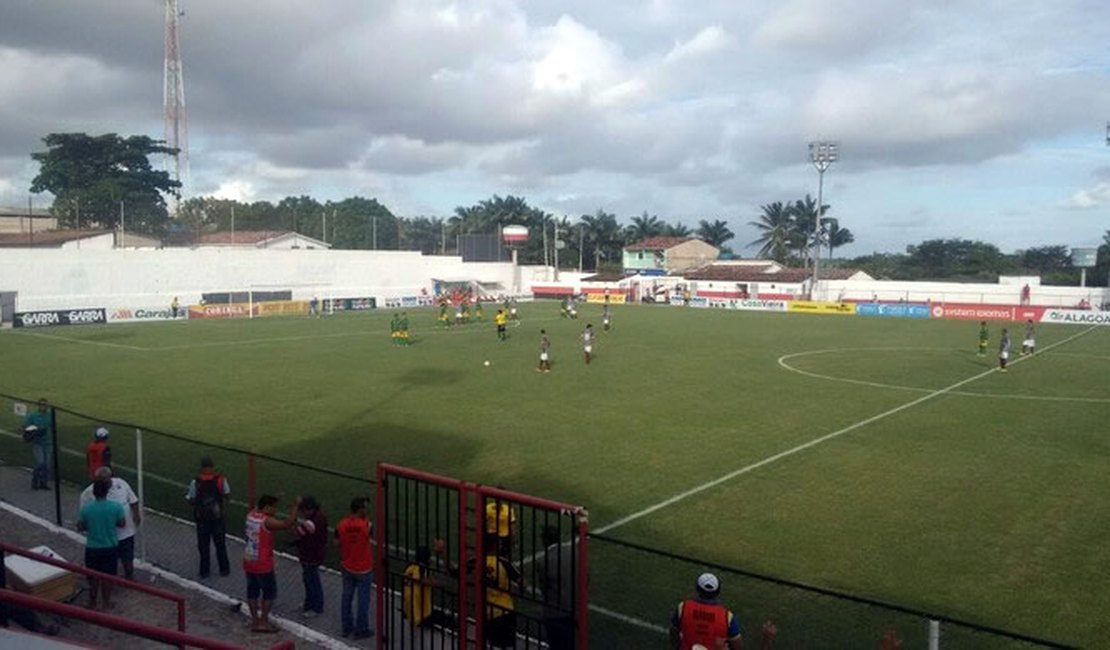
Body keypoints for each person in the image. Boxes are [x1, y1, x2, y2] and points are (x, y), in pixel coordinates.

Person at [671, 573, 776, 650]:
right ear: (718, 592)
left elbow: (674, 633)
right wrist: (766, 641)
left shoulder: (683, 607)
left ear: (697, 589)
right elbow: (737, 647)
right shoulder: (727, 617)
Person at [243, 494, 302, 633]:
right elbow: (287, 523)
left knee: (252, 591)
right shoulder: (267, 521)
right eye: (274, 507)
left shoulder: (250, 515)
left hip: (249, 560)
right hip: (263, 563)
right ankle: (263, 622)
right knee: (269, 593)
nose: (276, 510)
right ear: (267, 507)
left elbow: (259, 506)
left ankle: (254, 621)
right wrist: (295, 507)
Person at [79, 466, 141, 580]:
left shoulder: (121, 484)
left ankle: (129, 578)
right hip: (105, 537)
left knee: (127, 557)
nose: (105, 482)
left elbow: (133, 500)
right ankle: (108, 582)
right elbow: (83, 516)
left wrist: (136, 515)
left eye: (106, 479)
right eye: (101, 480)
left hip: (125, 533)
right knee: (107, 564)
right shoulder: (88, 493)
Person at [77, 478, 125, 610]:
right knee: (108, 577)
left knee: (92, 577)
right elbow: (122, 524)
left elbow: (80, 527)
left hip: (93, 547)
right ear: (107, 492)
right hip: (110, 547)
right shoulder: (116, 507)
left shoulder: (87, 508)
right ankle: (106, 602)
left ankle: (92, 603)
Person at [185, 457, 231, 578]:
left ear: (201, 467)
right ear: (212, 467)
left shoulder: (196, 482)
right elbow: (227, 495)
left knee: (203, 547)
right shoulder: (221, 480)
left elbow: (191, 499)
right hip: (217, 518)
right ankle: (224, 569)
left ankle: (204, 571)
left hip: (202, 520)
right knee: (220, 545)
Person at [336, 496, 374, 639]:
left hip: (347, 566)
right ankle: (361, 629)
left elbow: (337, 542)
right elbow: (371, 536)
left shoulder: (342, 524)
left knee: (346, 598)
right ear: (360, 509)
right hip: (364, 568)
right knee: (363, 600)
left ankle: (346, 628)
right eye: (365, 507)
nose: (367, 509)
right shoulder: (367, 525)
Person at [402, 541, 452, 629]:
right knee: (450, 621)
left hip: (409, 612)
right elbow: (442, 583)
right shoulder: (422, 572)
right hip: (420, 617)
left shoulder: (410, 568)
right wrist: (442, 554)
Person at [540, 526, 576, 650]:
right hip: (573, 607)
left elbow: (544, 587)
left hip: (555, 611)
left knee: (557, 643)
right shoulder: (572, 552)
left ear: (544, 540)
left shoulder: (544, 561)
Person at [295, 496, 328, 618]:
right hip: (315, 554)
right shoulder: (320, 516)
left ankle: (316, 607)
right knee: (310, 580)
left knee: (311, 581)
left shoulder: (312, 522)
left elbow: (298, 532)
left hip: (310, 555)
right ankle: (309, 604)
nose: (302, 513)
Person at [22, 398, 53, 490]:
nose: (44, 407)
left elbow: (52, 427)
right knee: (41, 462)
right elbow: (25, 427)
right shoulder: (33, 416)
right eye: (42, 405)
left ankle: (44, 482)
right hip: (37, 443)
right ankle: (35, 479)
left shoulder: (49, 416)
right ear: (38, 405)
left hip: (47, 442)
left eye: (45, 405)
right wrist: (34, 432)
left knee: (47, 464)